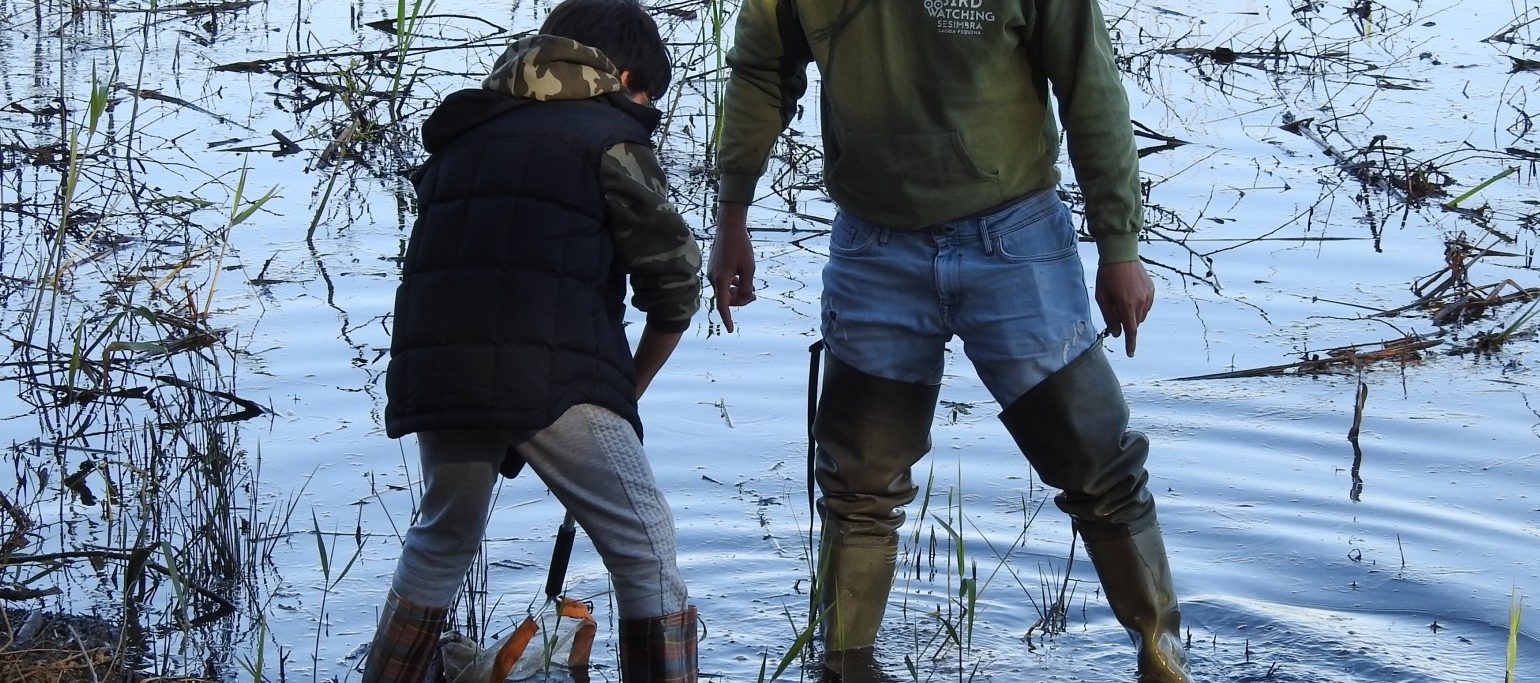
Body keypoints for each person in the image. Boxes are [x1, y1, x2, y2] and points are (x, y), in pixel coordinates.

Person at [708, 2, 1191, 681]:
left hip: (1015, 238)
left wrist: (1120, 245)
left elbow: (1089, 80)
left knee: (1099, 468)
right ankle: (844, 667)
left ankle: (1162, 657)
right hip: (875, 244)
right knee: (858, 485)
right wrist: (732, 214)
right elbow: (762, 69)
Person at [361, 1, 702, 681]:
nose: (644, 112)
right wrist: (622, 393)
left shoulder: (466, 133)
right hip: (546, 372)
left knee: (440, 538)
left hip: (439, 369)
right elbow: (673, 286)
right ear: (624, 75)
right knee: (647, 548)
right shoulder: (610, 134)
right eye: (646, 98)